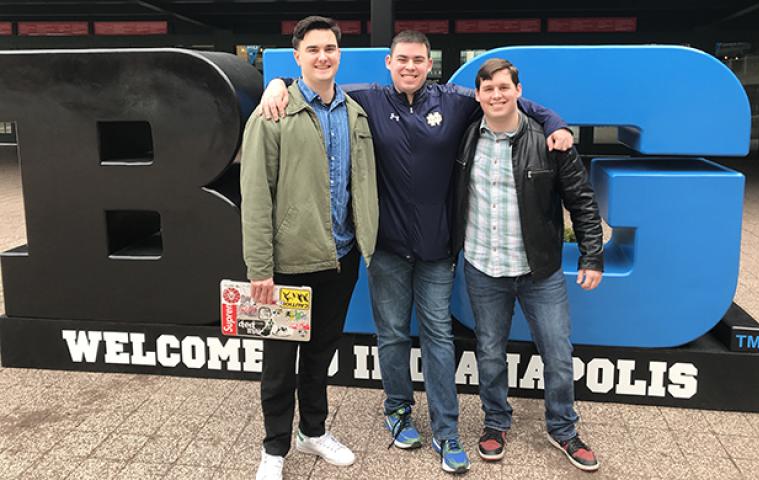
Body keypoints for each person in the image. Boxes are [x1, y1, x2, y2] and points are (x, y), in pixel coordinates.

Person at [259, 31, 573, 474]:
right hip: (386, 248)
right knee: (391, 335)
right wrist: (276, 84)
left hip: (435, 251)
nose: (410, 66)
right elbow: (315, 85)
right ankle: (397, 410)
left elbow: (511, 101)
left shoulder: (456, 101)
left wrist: (555, 122)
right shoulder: (364, 98)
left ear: (430, 64)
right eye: (402, 59)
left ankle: (446, 432)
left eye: (418, 60)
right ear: (388, 62)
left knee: (438, 337)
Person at [240, 16, 378, 480]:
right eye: (313, 49)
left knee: (320, 354)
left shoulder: (354, 112)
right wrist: (260, 268)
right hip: (288, 263)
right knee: (280, 364)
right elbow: (256, 195)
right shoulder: (273, 114)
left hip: (340, 259)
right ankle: (274, 449)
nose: (323, 56)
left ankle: (313, 431)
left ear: (339, 55)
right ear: (297, 57)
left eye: (331, 48)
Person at [451, 58, 603, 472]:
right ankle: (495, 423)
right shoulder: (464, 138)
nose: (496, 95)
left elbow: (582, 201)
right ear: (478, 95)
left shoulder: (550, 141)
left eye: (504, 87)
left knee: (557, 350)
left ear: (519, 90)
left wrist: (592, 253)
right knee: (489, 351)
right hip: (483, 266)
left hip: (541, 271)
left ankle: (564, 429)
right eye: (488, 89)